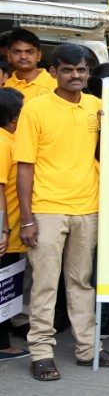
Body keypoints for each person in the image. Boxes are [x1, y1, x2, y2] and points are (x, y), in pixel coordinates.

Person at [17, 44, 109, 379]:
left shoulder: (97, 108)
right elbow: (24, 167)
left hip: (88, 208)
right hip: (47, 209)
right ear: (54, 72)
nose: (75, 75)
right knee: (45, 285)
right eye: (68, 70)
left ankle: (87, 348)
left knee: (81, 283)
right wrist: (27, 219)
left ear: (88, 72)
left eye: (81, 70)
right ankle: (40, 353)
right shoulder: (35, 110)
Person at [0, 89, 28, 360]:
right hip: (5, 233)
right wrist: (4, 230)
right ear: (13, 116)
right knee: (3, 286)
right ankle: (2, 344)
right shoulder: (3, 143)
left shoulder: (10, 140)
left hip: (11, 231)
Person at [5, 29, 56, 100]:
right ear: (8, 55)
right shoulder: (4, 85)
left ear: (39, 55)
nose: (23, 56)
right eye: (17, 52)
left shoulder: (56, 84)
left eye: (29, 52)